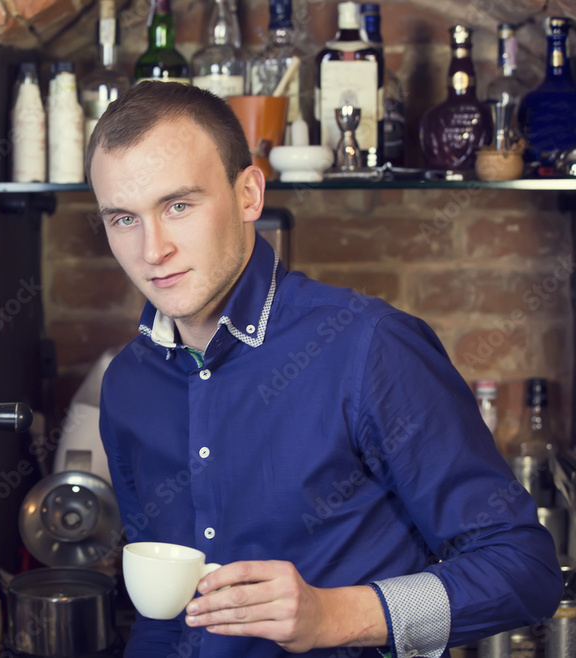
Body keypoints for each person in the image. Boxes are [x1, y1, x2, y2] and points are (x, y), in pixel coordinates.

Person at [85, 80, 563, 658]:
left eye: (178, 205)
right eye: (122, 219)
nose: (151, 249)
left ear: (248, 196)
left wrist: (338, 614)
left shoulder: (371, 349)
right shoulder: (128, 385)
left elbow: (526, 571)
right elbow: (163, 617)